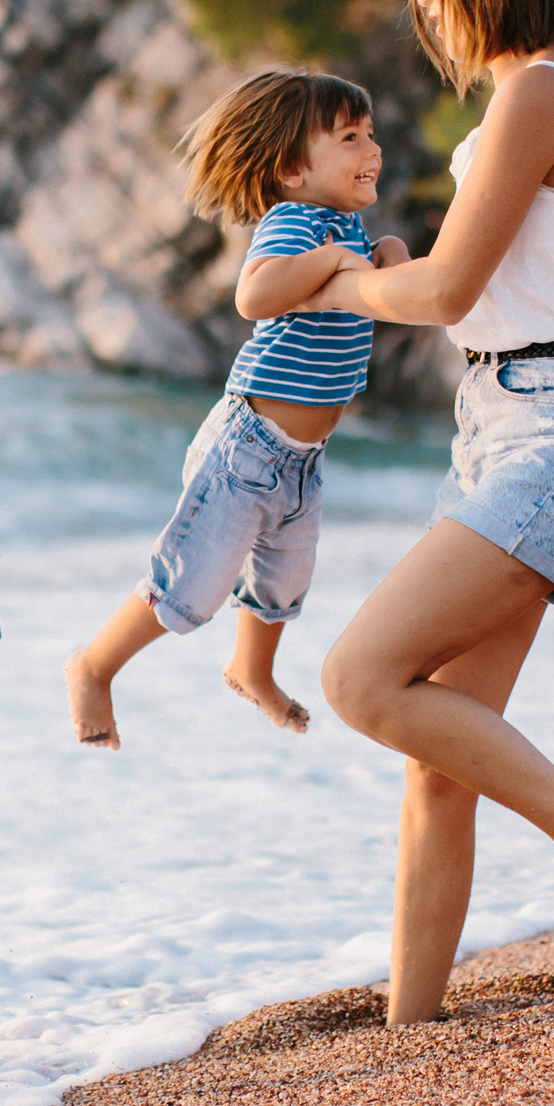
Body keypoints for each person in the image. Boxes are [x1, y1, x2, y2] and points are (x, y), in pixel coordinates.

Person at [300, 0, 554, 1025]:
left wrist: (334, 282)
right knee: (439, 756)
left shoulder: (539, 93)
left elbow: (448, 291)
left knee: (358, 679)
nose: (421, 1)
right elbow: (477, 292)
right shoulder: (548, 95)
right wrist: (395, 277)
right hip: (524, 422)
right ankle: (412, 1024)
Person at [65, 68, 410, 747]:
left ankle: (251, 668)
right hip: (247, 444)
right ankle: (94, 665)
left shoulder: (344, 226)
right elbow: (254, 294)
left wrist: (386, 254)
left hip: (302, 457)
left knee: (284, 580)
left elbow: (383, 292)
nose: (372, 149)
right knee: (192, 581)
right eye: (350, 137)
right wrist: (337, 259)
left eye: (370, 134)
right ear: (291, 171)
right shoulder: (295, 223)